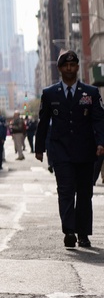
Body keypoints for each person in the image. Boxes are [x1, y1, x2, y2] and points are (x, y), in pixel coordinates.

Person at [35, 50, 104, 248]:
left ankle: (83, 233)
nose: (69, 68)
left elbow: (99, 120)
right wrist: (39, 148)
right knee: (65, 192)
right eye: (65, 65)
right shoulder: (49, 94)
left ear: (77, 68)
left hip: (85, 151)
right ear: (59, 68)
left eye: (73, 65)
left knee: (84, 193)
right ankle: (69, 231)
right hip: (61, 152)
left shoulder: (90, 93)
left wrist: (101, 142)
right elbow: (43, 122)